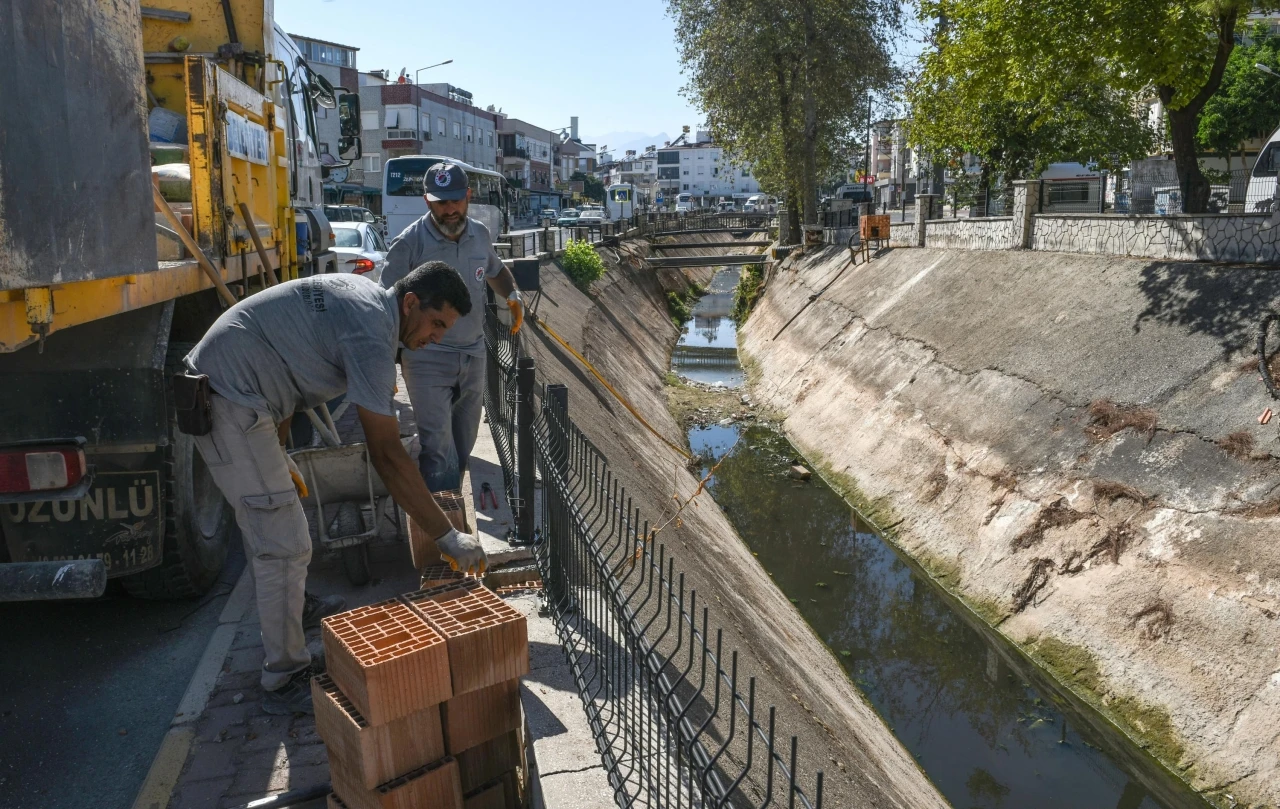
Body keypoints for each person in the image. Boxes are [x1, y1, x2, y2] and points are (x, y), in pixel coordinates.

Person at [184, 264, 489, 714]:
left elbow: (288, 373)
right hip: (226, 398)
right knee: (284, 543)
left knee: (279, 529)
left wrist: (278, 448)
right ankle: (283, 674)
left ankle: (296, 605)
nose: (436, 338)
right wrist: (446, 537)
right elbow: (385, 453)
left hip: (242, 392)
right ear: (410, 303)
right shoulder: (371, 335)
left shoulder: (367, 299)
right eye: (436, 323)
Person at [382, 161, 524, 492]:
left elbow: (496, 270)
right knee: (437, 449)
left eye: (455, 201)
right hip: (426, 358)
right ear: (427, 201)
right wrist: (386, 361)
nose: (449, 210)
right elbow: (385, 305)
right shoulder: (409, 243)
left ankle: (452, 504)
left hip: (473, 355)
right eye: (440, 202)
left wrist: (513, 295)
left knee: (463, 446)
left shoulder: (480, 235)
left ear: (468, 197)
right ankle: (440, 528)